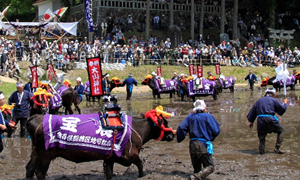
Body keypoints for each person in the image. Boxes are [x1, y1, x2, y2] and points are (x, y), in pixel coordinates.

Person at [174, 100, 220, 180]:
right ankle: (194, 178)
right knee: (210, 167)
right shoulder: (208, 116)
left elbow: (181, 127)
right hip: (203, 144)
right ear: (204, 108)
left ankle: (196, 176)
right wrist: (211, 138)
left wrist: (180, 136)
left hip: (192, 144)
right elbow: (216, 130)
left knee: (197, 169)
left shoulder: (190, 117)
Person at [247, 88, 288, 155]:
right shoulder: (274, 100)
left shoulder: (259, 101)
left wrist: (251, 122)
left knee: (262, 137)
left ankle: (261, 152)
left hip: (260, 121)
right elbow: (282, 110)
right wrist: (285, 103)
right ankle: (277, 149)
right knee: (281, 131)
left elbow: (253, 112)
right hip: (270, 119)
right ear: (272, 94)